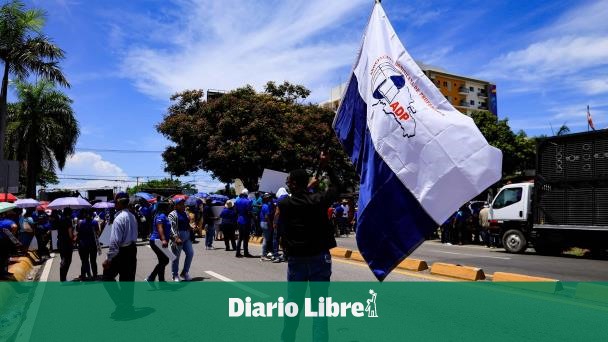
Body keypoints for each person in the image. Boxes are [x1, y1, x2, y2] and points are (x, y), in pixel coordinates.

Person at [276, 152, 340, 342]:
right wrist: (327, 165)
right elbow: (337, 188)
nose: (287, 184)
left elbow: (290, 202)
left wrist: (307, 189)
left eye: (289, 181)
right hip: (320, 258)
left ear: (294, 184)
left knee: (293, 306)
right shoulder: (318, 201)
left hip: (297, 260)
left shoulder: (285, 203)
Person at [102, 192, 138, 281]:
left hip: (122, 252)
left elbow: (115, 242)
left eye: (115, 203)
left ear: (118, 203)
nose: (114, 205)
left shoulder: (119, 219)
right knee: (128, 282)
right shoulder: (132, 216)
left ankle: (118, 295)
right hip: (132, 250)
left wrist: (108, 259)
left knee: (107, 278)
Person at [169, 198, 193, 281]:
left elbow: (187, 223)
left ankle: (184, 273)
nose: (183, 205)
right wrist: (176, 237)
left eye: (183, 203)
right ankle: (175, 275)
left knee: (190, 253)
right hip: (178, 237)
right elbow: (171, 227)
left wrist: (191, 227)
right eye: (181, 204)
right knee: (176, 257)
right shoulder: (172, 214)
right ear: (176, 206)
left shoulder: (185, 213)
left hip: (186, 236)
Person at [146, 202, 171, 282]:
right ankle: (151, 277)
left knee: (162, 261)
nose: (169, 208)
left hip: (161, 241)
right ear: (164, 208)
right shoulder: (160, 216)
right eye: (168, 207)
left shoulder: (164, 216)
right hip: (157, 241)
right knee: (165, 260)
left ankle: (161, 280)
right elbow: (160, 228)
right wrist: (163, 240)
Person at [75, 209, 100, 281]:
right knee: (93, 261)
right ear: (92, 215)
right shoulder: (95, 222)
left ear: (84, 215)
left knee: (84, 261)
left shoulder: (80, 223)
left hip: (83, 245)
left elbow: (77, 232)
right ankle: (95, 275)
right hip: (92, 244)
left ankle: (83, 276)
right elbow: (98, 233)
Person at [55, 208, 74, 282]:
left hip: (60, 242)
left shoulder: (60, 220)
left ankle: (63, 278)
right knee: (67, 260)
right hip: (67, 243)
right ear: (69, 214)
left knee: (63, 258)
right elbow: (70, 234)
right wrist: (73, 236)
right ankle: (63, 279)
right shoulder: (68, 221)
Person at [0, 213, 21, 279]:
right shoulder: (6, 221)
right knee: (4, 257)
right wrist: (13, 233)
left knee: (3, 258)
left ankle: (4, 272)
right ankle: (3, 273)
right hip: (4, 242)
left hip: (3, 242)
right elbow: (14, 226)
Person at [235, 189, 253, 258]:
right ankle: (246, 253)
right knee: (246, 238)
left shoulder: (237, 201)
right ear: (246, 194)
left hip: (239, 220)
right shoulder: (248, 201)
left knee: (240, 237)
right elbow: (249, 212)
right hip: (246, 221)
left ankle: (237, 252)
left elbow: (236, 211)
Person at [260, 194, 273, 260]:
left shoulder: (264, 206)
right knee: (265, 239)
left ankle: (263, 253)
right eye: (268, 198)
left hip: (262, 223)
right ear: (266, 199)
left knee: (265, 238)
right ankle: (263, 255)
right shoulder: (266, 206)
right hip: (265, 223)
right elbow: (267, 217)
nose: (270, 199)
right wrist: (270, 225)